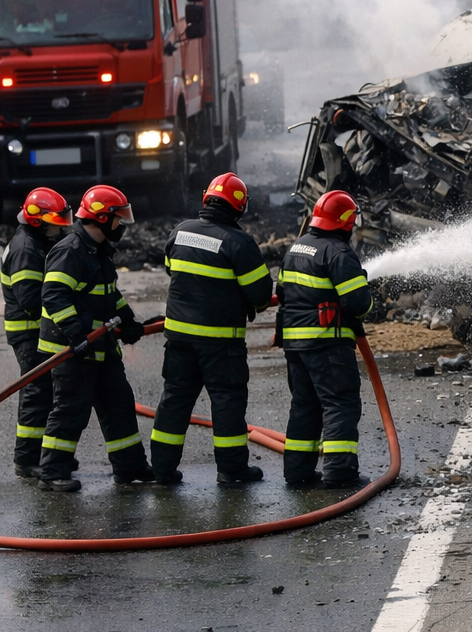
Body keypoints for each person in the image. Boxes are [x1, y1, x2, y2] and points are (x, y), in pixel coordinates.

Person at [150, 173, 274, 486]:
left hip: (178, 340)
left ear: (207, 199)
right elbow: (260, 296)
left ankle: (162, 469)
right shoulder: (239, 243)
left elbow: (172, 268)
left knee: (174, 402)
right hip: (221, 344)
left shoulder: (180, 231)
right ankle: (232, 471)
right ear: (239, 207)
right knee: (227, 403)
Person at [36, 185, 153, 492]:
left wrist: (128, 322)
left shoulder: (98, 250)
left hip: (99, 346)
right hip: (72, 348)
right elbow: (54, 295)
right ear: (102, 219)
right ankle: (53, 472)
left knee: (119, 404)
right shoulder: (71, 250)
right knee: (71, 409)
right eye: (118, 218)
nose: (122, 226)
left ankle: (129, 467)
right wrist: (76, 333)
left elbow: (108, 294)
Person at [278, 190, 373, 488]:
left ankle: (297, 472)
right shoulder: (339, 253)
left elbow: (282, 293)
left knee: (305, 406)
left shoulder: (295, 248)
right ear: (346, 223)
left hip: (295, 345)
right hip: (327, 343)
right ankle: (339, 472)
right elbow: (359, 304)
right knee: (340, 403)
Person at [3, 188, 73, 478]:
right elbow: (31, 302)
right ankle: (27, 458)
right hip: (29, 333)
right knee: (36, 392)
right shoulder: (26, 251)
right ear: (37, 221)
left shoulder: (35, 241)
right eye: (56, 221)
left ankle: (43, 455)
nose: (61, 226)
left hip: (38, 331)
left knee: (46, 391)